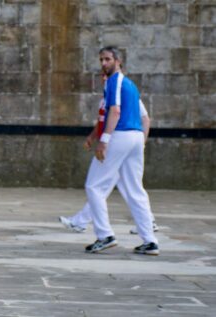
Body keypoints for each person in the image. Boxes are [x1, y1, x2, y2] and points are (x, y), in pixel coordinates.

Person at [59, 75, 159, 235]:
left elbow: (145, 120)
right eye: (103, 76)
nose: (105, 79)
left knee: (101, 187)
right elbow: (102, 122)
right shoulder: (107, 98)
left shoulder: (127, 95)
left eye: (108, 76)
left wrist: (141, 144)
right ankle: (81, 221)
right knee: (111, 188)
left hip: (120, 146)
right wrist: (92, 137)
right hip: (117, 145)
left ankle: (92, 227)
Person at [83, 46, 159, 255]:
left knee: (94, 186)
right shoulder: (131, 85)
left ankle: (104, 235)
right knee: (135, 190)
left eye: (107, 59)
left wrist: (104, 140)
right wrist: (140, 142)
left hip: (121, 135)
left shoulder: (114, 81)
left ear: (118, 61)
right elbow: (145, 118)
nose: (103, 63)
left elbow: (114, 112)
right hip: (135, 137)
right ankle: (150, 241)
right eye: (101, 60)